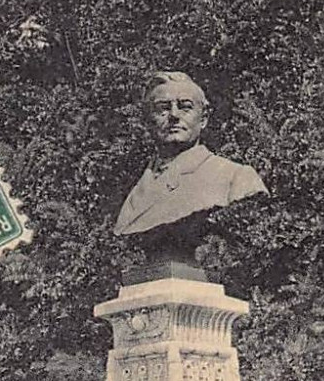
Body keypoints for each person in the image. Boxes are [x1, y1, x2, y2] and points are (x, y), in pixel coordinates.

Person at [113, 72, 267, 276]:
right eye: (163, 108)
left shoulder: (235, 178)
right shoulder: (135, 194)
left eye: (185, 107)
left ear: (203, 119)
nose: (174, 115)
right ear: (148, 121)